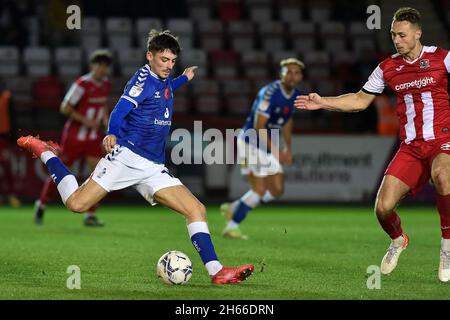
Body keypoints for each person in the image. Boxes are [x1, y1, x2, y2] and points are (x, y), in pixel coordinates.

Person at [18, 30, 254, 284]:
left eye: (173, 61)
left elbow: (166, 89)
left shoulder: (162, 78)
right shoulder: (141, 80)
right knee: (76, 205)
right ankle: (46, 153)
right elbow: (120, 110)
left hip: (152, 166)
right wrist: (111, 133)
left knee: (196, 209)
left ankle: (217, 272)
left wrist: (183, 78)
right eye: (164, 60)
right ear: (149, 56)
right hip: (126, 158)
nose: (168, 66)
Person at [294, 7, 450, 282]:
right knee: (382, 207)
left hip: (442, 142)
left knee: (444, 177)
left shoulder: (442, 58)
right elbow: (359, 100)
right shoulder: (388, 67)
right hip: (411, 148)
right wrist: (323, 102)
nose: (397, 40)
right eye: (393, 35)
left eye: (402, 35)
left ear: (418, 33)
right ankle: (398, 238)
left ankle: (447, 245)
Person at [220, 58, 304, 240]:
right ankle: (232, 226)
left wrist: (288, 148)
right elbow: (259, 126)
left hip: (266, 145)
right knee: (259, 190)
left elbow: (288, 121)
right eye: (288, 71)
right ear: (280, 74)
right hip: (251, 141)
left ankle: (235, 207)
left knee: (277, 190)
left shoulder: (295, 95)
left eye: (296, 72)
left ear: (301, 77)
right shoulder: (269, 93)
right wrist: (277, 152)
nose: (292, 76)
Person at [33, 49, 113, 226]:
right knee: (60, 172)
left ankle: (90, 215)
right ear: (93, 66)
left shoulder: (105, 85)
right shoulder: (82, 84)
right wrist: (86, 120)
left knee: (100, 173)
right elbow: (65, 108)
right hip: (74, 137)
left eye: (105, 66)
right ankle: (42, 204)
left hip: (93, 138)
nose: (103, 70)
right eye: (100, 66)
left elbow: (103, 107)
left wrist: (106, 124)